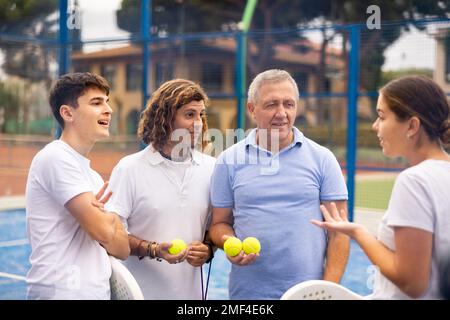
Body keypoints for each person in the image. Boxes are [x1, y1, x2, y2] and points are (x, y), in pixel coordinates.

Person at [209, 69, 350, 300]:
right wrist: (229, 242)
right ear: (252, 109)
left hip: (309, 296)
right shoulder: (228, 160)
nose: (282, 113)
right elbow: (219, 224)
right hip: (248, 297)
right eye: (272, 104)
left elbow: (340, 234)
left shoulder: (323, 159)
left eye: (289, 104)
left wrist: (326, 292)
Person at [312, 75, 450, 299]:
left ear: (412, 125)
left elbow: (413, 284)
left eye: (382, 116)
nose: (375, 126)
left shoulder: (414, 181)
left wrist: (358, 232)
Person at [105, 79, 216, 299]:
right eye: (189, 115)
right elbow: (111, 237)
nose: (198, 123)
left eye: (201, 115)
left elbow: (214, 229)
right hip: (139, 294)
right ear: (165, 119)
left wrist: (208, 249)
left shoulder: (212, 168)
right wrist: (154, 249)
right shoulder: (129, 168)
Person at [25, 72, 130, 300]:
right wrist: (109, 219)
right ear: (67, 113)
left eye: (107, 101)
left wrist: (102, 219)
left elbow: (123, 249)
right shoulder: (55, 157)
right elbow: (103, 231)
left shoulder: (92, 176)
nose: (108, 109)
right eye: (96, 103)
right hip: (61, 294)